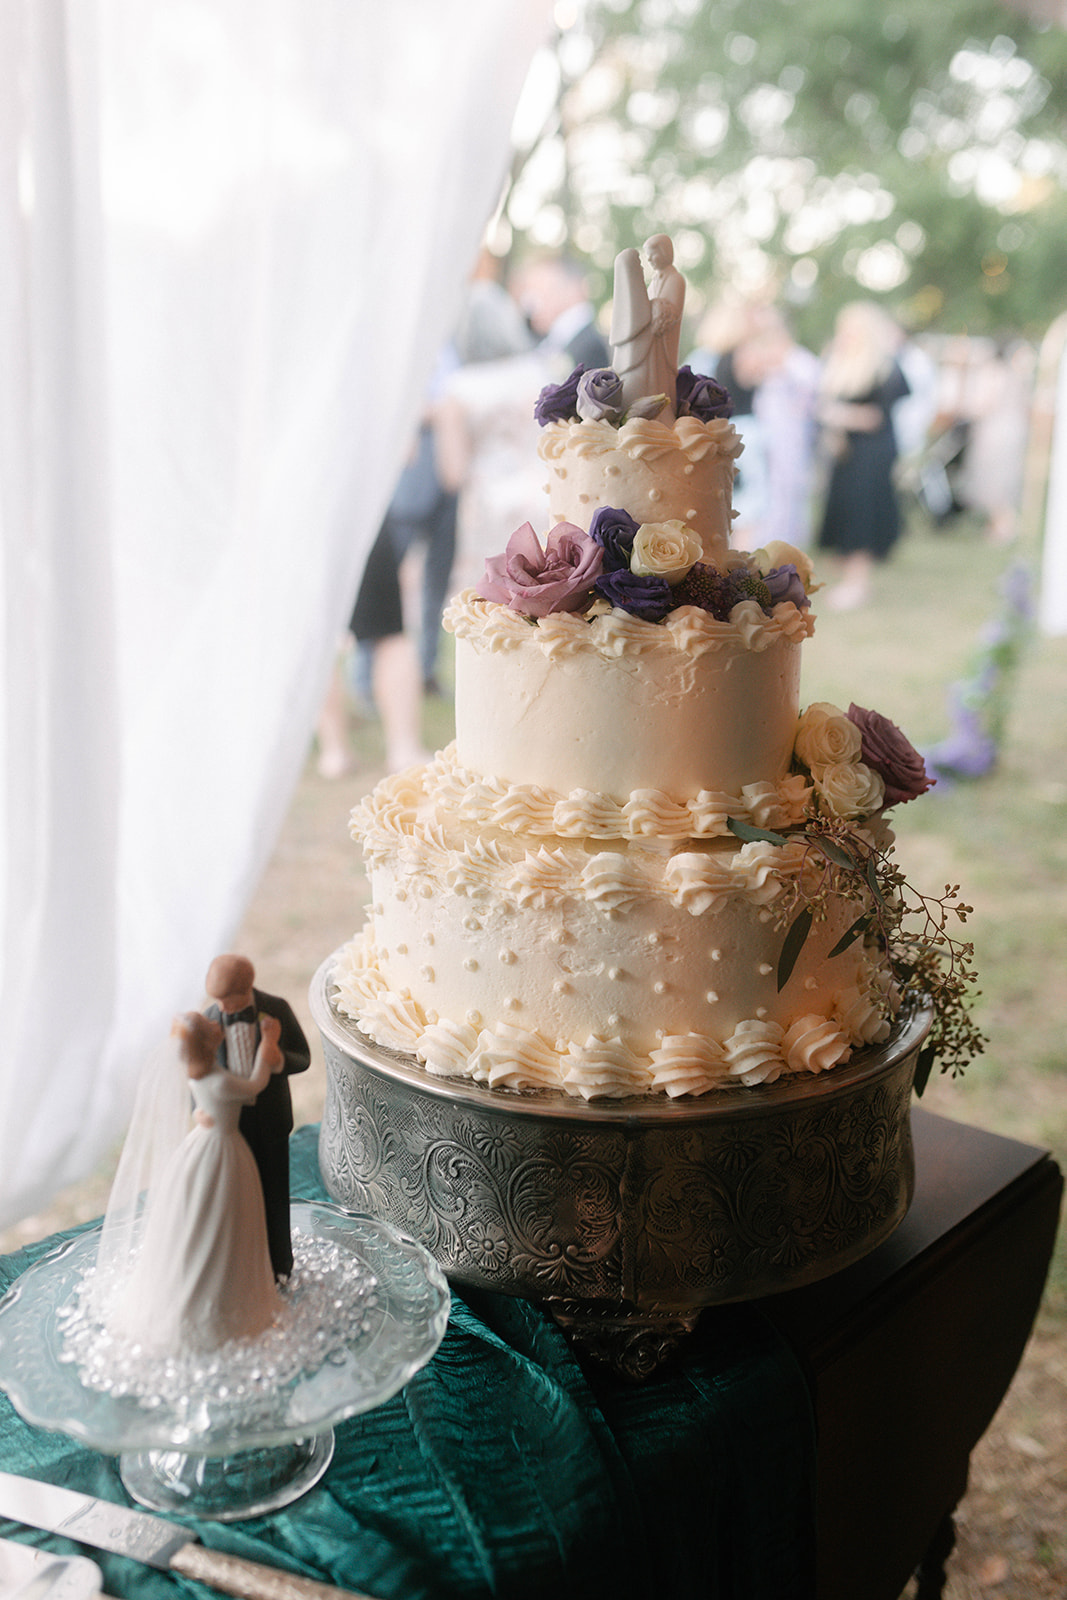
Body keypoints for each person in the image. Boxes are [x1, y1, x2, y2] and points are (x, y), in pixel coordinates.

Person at [105, 1009, 284, 1354]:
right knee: (223, 1216)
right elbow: (255, 1086)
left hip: (200, 1145)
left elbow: (204, 1107)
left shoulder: (196, 1078)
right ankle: (221, 1307)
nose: (216, 1023)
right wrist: (269, 1043)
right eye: (210, 1027)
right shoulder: (220, 1081)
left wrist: (201, 1114)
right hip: (223, 1149)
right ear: (207, 1043)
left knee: (197, 1218)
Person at [202, 954, 311, 1280]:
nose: (222, 1009)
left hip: (271, 1123)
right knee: (236, 1200)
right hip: (230, 1126)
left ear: (247, 988)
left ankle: (281, 1266)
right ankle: (242, 1268)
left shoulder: (276, 1009)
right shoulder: (210, 1019)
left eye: (229, 1001)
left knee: (275, 1198)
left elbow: (303, 1057)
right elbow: (200, 1072)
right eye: (218, 1001)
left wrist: (277, 1059)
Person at [816, 301, 911, 610]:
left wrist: (838, 416)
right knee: (844, 513)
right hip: (848, 454)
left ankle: (858, 583)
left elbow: (876, 417)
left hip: (871, 455)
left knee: (862, 517)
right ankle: (847, 575)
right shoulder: (842, 362)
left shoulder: (884, 366)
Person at [610, 235, 686, 415]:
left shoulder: (676, 279)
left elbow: (670, 311)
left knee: (658, 382)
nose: (650, 259)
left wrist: (653, 310)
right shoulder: (654, 281)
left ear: (666, 252)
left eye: (654, 254)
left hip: (660, 343)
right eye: (648, 255)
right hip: (648, 339)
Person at [512, 252, 610, 373]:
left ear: (565, 290)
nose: (530, 307)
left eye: (536, 294)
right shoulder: (556, 340)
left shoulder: (588, 347)